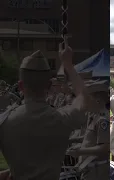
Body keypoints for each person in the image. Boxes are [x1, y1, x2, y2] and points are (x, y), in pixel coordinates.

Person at [0, 38, 90, 180]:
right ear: (48, 86)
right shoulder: (61, 118)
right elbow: (84, 99)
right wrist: (68, 64)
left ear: (21, 86)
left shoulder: (5, 121)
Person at [67, 80, 109, 180]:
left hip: (97, 171)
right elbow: (90, 138)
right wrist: (71, 140)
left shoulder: (103, 120)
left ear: (97, 100)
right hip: (89, 168)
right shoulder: (95, 116)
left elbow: (104, 147)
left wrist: (80, 151)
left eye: (88, 99)